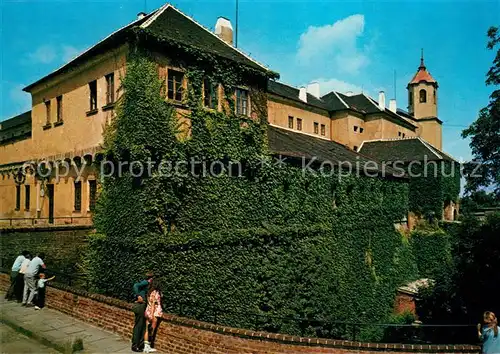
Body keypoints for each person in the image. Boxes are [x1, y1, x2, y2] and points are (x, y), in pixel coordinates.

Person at [131, 272, 154, 352]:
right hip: (140, 306)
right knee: (139, 326)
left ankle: (140, 345)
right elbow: (135, 285)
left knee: (143, 326)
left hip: (143, 306)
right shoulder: (146, 282)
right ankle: (135, 345)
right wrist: (138, 296)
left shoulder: (147, 284)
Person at [143, 278, 163, 353]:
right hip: (154, 313)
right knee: (152, 330)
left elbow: (149, 303)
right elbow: (153, 304)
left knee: (147, 329)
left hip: (147, 311)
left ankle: (146, 347)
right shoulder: (156, 292)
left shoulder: (149, 292)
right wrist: (152, 314)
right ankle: (149, 347)